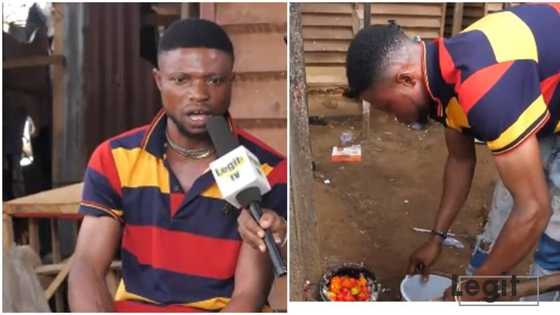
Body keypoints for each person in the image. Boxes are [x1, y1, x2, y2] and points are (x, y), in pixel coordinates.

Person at [68, 19, 287, 312]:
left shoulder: (269, 169)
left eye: (215, 80)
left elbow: (248, 296)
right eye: (181, 79)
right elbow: (86, 266)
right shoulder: (114, 158)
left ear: (231, 82)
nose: (199, 93)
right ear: (159, 80)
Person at [345, 3, 560, 301]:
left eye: (388, 107)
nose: (394, 118)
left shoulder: (487, 89)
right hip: (543, 85)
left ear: (406, 79)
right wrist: (436, 239)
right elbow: (460, 159)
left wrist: (475, 289)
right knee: (511, 203)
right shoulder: (442, 75)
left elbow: (534, 210)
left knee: (552, 238)